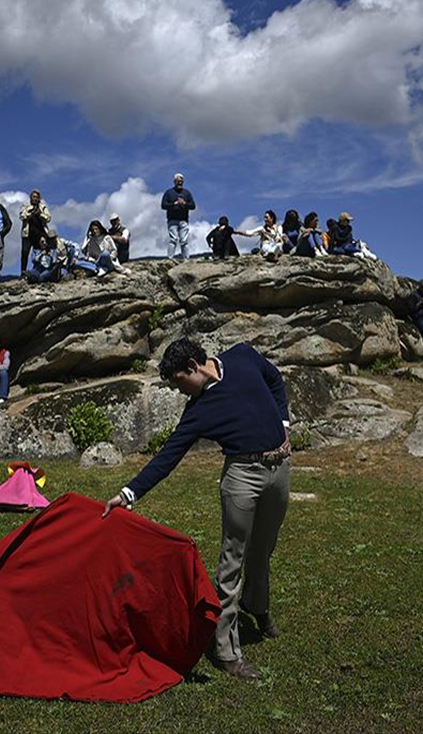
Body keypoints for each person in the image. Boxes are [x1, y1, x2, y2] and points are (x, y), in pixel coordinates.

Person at [102, 339, 291, 682]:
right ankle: (227, 651)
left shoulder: (243, 356)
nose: (178, 390)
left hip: (280, 468)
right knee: (232, 559)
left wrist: (284, 423)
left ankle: (257, 607)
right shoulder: (198, 410)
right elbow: (167, 457)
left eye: (178, 381)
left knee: (263, 550)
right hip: (241, 478)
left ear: (193, 365)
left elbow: (274, 378)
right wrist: (129, 492)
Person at [161, 172, 196, 259]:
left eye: (181, 181)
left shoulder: (187, 193)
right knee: (173, 239)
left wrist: (184, 203)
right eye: (178, 181)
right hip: (172, 220)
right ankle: (170, 258)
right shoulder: (169, 192)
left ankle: (186, 258)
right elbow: (163, 205)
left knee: (184, 240)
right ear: (174, 181)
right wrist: (174, 204)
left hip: (184, 220)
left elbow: (193, 206)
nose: (180, 183)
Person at [19, 189, 51, 274]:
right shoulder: (25, 206)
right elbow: (22, 216)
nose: (35, 199)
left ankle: (39, 270)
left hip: (40, 234)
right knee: (25, 252)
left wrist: (40, 214)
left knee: (41, 253)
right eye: (33, 197)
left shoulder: (42, 207)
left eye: (37, 197)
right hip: (27, 234)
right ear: (30, 198)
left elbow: (48, 218)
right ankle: (23, 271)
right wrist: (30, 213)